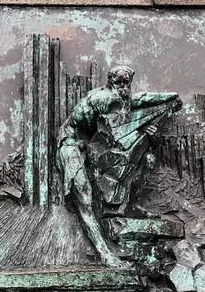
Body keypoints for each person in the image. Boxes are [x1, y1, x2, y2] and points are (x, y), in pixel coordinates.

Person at [58, 65, 181, 267]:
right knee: (84, 196)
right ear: (110, 81)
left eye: (126, 83)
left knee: (146, 158)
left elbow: (144, 99)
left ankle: (130, 206)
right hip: (71, 145)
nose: (123, 87)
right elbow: (87, 128)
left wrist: (171, 98)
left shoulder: (125, 99)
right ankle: (104, 253)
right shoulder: (99, 99)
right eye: (119, 83)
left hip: (98, 148)